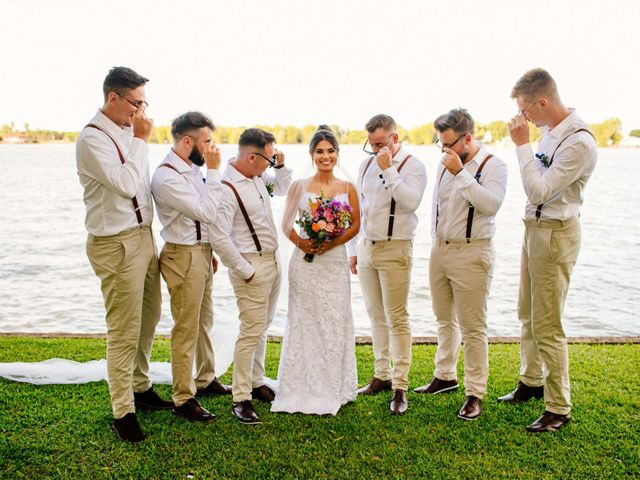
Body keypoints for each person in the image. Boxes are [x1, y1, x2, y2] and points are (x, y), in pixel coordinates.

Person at [76, 66, 172, 443]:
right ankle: (122, 410)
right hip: (115, 244)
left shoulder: (129, 132)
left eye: (144, 102)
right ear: (113, 98)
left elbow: (143, 189)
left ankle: (141, 385)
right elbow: (125, 183)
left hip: (143, 237)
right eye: (136, 102)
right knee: (123, 328)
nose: (141, 111)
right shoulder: (91, 138)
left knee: (150, 315)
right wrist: (143, 140)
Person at [499, 68, 597, 432]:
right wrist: (529, 141)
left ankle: (558, 407)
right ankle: (531, 381)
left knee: (548, 324)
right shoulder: (548, 132)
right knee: (526, 311)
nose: (521, 118)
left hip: (556, 234)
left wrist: (521, 145)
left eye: (524, 110)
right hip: (534, 230)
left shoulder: (579, 142)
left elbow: (539, 190)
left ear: (542, 102)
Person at [413, 109, 508, 421]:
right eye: (441, 145)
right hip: (441, 250)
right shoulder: (445, 162)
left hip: (473, 252)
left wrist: (460, 173)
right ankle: (445, 376)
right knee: (444, 319)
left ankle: (474, 393)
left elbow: (490, 205)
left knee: (473, 327)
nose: (445, 151)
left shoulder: (495, 166)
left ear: (468, 138)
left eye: (450, 144)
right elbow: (437, 207)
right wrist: (434, 242)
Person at [271, 128, 360, 415]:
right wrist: (304, 243)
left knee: (333, 321)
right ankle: (299, 386)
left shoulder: (348, 187)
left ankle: (333, 386)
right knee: (304, 322)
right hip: (305, 266)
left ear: (337, 154)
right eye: (320, 151)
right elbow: (286, 225)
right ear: (312, 155)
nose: (326, 156)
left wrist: (332, 241)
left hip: (334, 265)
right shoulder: (299, 186)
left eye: (330, 151)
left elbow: (356, 225)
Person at [151, 111, 231, 423]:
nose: (213, 149)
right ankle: (183, 398)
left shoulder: (191, 169)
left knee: (204, 321)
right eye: (207, 142)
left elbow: (204, 220)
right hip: (182, 256)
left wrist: (208, 249)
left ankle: (206, 378)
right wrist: (214, 170)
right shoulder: (167, 176)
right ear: (187, 141)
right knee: (185, 329)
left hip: (200, 253)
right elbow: (207, 211)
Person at [210, 128, 292, 424]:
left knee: (263, 326)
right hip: (251, 266)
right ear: (251, 156)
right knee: (250, 332)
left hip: (272, 260)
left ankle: (256, 382)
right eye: (268, 159)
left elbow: (283, 188)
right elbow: (218, 236)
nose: (269, 164)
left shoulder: (257, 178)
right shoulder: (226, 187)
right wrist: (244, 270)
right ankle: (241, 397)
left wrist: (279, 165)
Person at [349, 114, 427, 415]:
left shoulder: (414, 166)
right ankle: (381, 375)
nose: (375, 150)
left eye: (380, 143)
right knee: (375, 315)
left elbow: (411, 202)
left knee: (397, 317)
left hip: (396, 248)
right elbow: (362, 208)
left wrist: (388, 169)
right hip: (367, 247)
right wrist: (353, 251)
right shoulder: (366, 164)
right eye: (371, 145)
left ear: (395, 138)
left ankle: (400, 385)